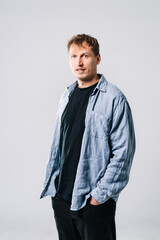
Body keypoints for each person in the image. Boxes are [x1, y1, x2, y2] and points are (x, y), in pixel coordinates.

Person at [40, 34, 136, 240]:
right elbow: (59, 144)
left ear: (98, 59)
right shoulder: (66, 95)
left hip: (92, 200)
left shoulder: (114, 99)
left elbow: (123, 154)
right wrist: (55, 190)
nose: (79, 62)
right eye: (73, 56)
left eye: (85, 55)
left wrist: (99, 197)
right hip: (63, 197)